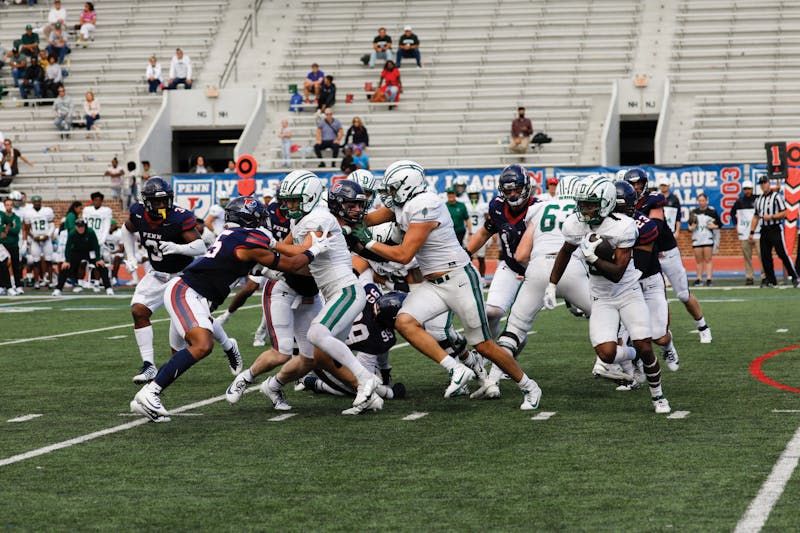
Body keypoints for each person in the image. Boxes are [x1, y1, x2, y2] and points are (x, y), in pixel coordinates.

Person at [358, 160, 543, 409]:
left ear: (406, 186)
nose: (390, 195)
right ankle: (456, 369)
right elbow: (367, 220)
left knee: (484, 345)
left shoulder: (426, 204)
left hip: (459, 280)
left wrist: (365, 241)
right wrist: (343, 222)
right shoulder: (403, 203)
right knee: (404, 321)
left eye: (393, 188)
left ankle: (529, 387)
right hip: (433, 284)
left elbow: (403, 255)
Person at [128, 196, 326, 422]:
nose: (263, 223)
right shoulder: (250, 241)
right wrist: (314, 250)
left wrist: (287, 258)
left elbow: (262, 258)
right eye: (259, 219)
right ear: (250, 220)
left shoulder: (235, 236)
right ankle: (150, 392)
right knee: (202, 345)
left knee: (191, 347)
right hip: (187, 291)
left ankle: (146, 398)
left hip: (196, 294)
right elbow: (291, 262)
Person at [237, 172, 385, 415]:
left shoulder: (317, 217)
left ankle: (366, 379)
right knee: (325, 348)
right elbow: (295, 257)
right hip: (337, 291)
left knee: (317, 334)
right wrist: (266, 265)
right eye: (287, 200)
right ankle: (368, 394)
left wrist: (270, 244)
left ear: (310, 196)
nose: (289, 205)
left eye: (294, 200)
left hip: (345, 290)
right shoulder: (309, 218)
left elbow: (301, 251)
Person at [546, 175, 671, 414]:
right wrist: (552, 284)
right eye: (582, 203)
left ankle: (658, 396)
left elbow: (617, 273)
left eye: (590, 203)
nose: (584, 208)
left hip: (627, 292)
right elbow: (564, 251)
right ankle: (632, 355)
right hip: (601, 297)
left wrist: (593, 257)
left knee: (646, 346)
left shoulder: (623, 225)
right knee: (606, 353)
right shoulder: (575, 224)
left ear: (605, 202)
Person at [118, 177, 235, 383]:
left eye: (165, 200)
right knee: (138, 311)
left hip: (182, 278)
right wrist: (130, 255)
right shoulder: (138, 212)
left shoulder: (179, 217)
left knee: (191, 332)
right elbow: (126, 230)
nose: (162, 205)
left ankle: (228, 345)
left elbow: (200, 247)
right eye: (157, 201)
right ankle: (149, 366)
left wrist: (178, 248)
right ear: (146, 202)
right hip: (156, 274)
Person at [624, 168, 712, 343]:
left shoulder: (653, 200)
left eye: (638, 183)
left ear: (645, 184)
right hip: (646, 254)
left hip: (666, 252)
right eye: (632, 184)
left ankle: (703, 326)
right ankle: (653, 334)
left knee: (682, 294)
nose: (635, 187)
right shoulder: (625, 202)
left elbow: (654, 227)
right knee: (643, 295)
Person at [750, 175, 798, 288]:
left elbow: (784, 213)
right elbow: (756, 217)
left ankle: (795, 277)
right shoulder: (759, 199)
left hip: (775, 228)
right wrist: (751, 232)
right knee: (765, 256)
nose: (763, 185)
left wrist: (771, 216)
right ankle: (771, 280)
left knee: (782, 253)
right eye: (761, 183)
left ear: (768, 183)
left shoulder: (776, 196)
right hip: (764, 230)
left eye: (765, 183)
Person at [51, 218, 113, 296]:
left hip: (90, 252)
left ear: (85, 226)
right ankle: (58, 289)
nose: (80, 228)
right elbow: (68, 247)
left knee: (101, 266)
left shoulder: (90, 232)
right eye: (78, 226)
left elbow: (96, 245)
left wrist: (98, 259)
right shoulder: (72, 233)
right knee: (65, 267)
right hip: (77, 252)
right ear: (76, 227)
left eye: (82, 226)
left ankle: (108, 288)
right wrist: (67, 260)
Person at [687, 193, 721, 286]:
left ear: (706, 201)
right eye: (700, 200)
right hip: (697, 239)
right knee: (698, 260)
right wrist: (691, 228)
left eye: (703, 200)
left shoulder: (712, 212)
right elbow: (689, 226)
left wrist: (714, 226)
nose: (701, 202)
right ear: (698, 201)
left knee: (708, 259)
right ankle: (699, 279)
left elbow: (719, 224)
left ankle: (709, 279)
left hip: (707, 238)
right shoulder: (693, 212)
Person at [731, 180, 760, 285]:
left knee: (762, 255)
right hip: (744, 234)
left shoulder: (758, 199)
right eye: (745, 189)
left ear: (752, 189)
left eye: (749, 189)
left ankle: (765, 276)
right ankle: (749, 277)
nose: (747, 191)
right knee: (747, 257)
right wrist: (736, 226)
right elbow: (732, 213)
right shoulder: (739, 202)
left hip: (757, 232)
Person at [23, 195, 55, 289]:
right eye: (35, 201)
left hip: (46, 238)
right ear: (32, 202)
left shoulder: (47, 211)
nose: (37, 203)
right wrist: (34, 236)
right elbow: (27, 229)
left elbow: (52, 225)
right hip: (35, 239)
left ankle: (50, 281)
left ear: (41, 202)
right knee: (36, 261)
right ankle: (37, 282)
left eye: (38, 201)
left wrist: (47, 235)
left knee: (48, 260)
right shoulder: (28, 213)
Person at [465, 184, 490, 281]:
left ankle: (482, 278)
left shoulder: (483, 205)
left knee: (481, 257)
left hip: (480, 233)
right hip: (469, 233)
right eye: (472, 194)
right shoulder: (465, 205)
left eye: (475, 194)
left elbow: (488, 219)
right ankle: (469, 277)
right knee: (467, 257)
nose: (473, 196)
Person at [0, 198, 23, 295]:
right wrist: (7, 227)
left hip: (12, 244)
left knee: (15, 265)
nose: (9, 206)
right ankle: (3, 285)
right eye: (7, 205)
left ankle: (17, 285)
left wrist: (6, 228)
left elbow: (16, 230)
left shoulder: (15, 217)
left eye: (10, 204)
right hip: (3, 244)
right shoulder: (1, 214)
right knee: (3, 265)